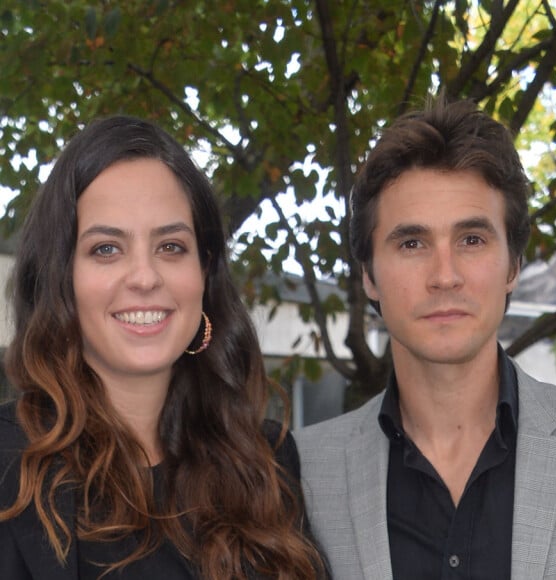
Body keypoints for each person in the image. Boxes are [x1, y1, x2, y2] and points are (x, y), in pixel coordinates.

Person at [0, 115, 328, 579]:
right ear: (61, 278)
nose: (145, 277)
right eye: (106, 249)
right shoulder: (10, 465)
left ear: (204, 271)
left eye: (171, 247)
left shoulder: (267, 460)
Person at [295, 96, 556, 580]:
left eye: (472, 240)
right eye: (412, 243)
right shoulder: (300, 474)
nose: (444, 276)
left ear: (512, 264)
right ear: (368, 276)